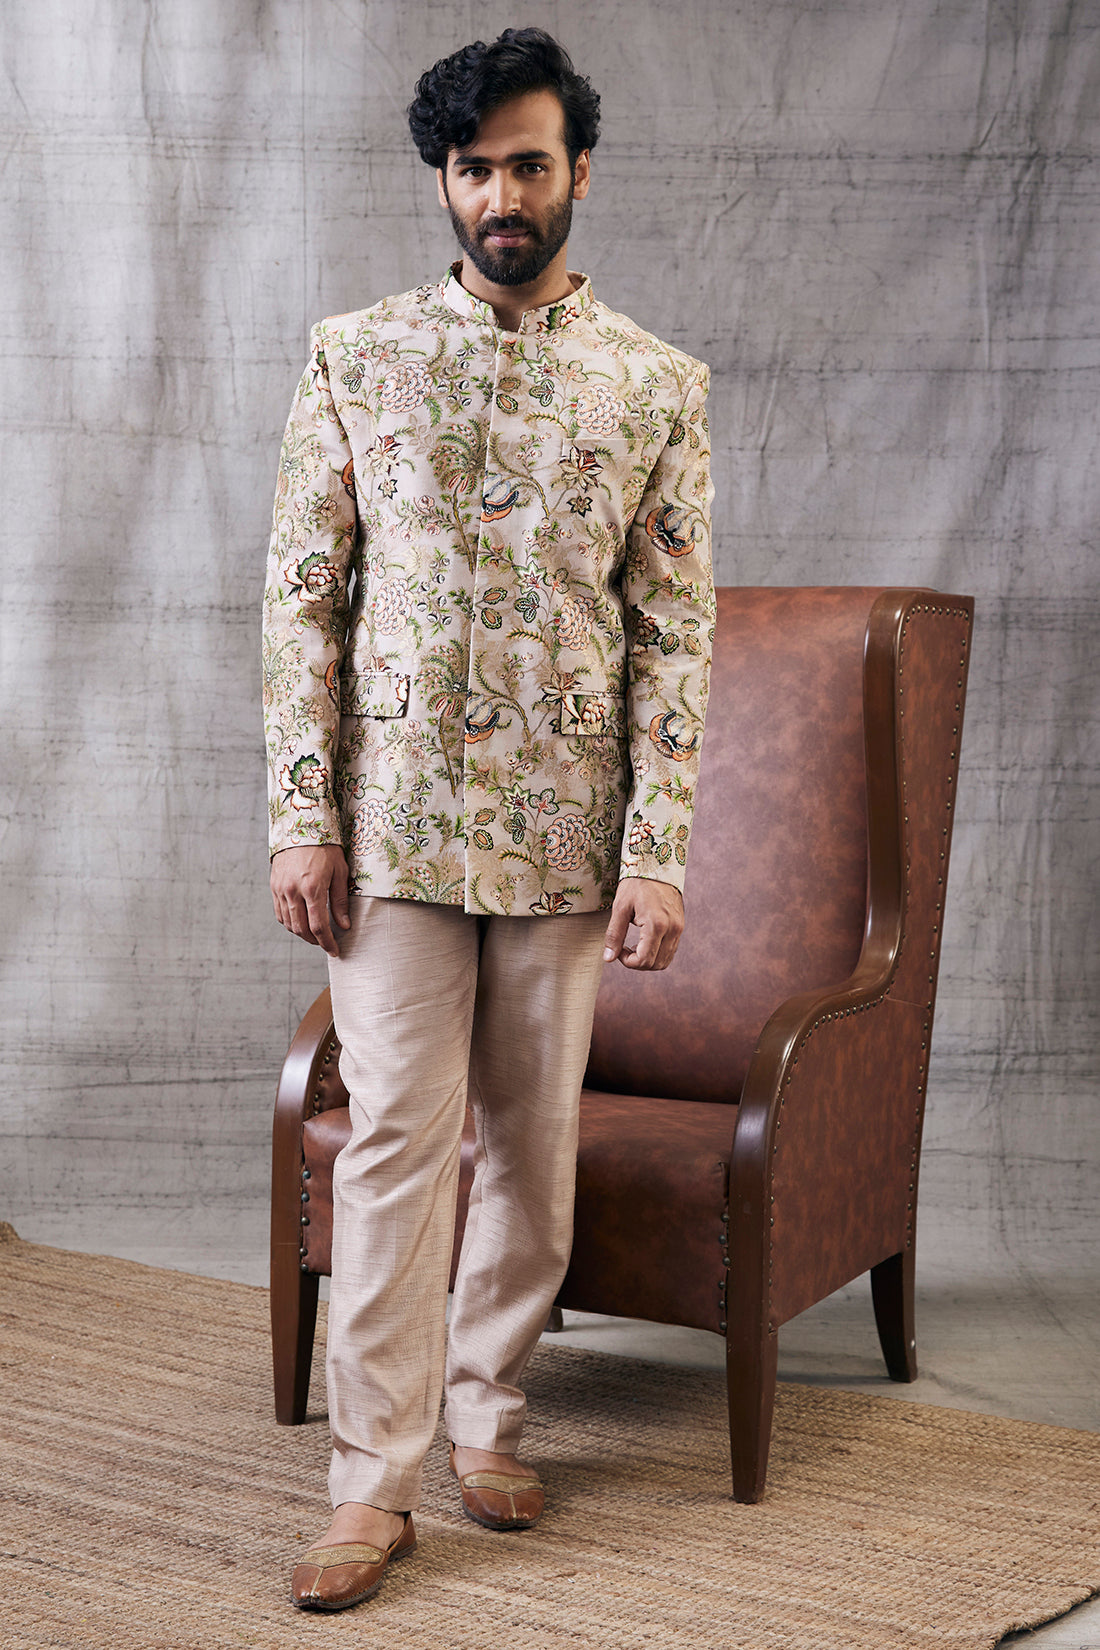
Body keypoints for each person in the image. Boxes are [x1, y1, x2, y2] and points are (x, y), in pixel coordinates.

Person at [263, 26, 715, 1612]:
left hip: (564, 836)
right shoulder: (355, 357)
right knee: (397, 1133)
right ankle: (370, 1476)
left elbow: (674, 637)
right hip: (389, 831)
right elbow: (301, 606)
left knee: (530, 1136)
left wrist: (657, 848)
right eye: (475, 169)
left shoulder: (656, 386)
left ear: (579, 168)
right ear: (443, 180)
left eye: (530, 163)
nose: (503, 194)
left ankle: (487, 1410)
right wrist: (301, 816)